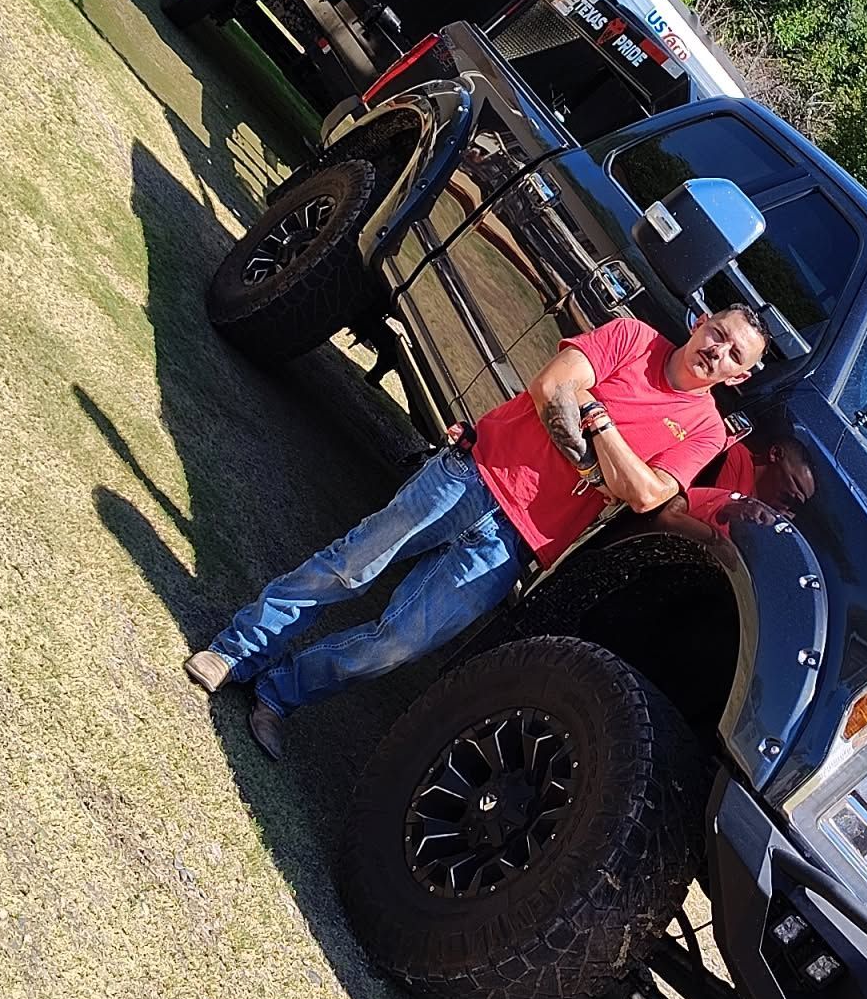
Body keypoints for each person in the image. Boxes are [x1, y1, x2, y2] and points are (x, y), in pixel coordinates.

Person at [184, 304, 769, 759]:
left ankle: (281, 692)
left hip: (518, 544)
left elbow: (644, 493)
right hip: (472, 475)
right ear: (700, 324)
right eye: (717, 333)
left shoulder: (706, 433)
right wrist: (606, 461)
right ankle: (236, 652)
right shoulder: (634, 336)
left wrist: (599, 419)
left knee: (400, 642)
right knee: (348, 566)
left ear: (740, 375)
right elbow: (551, 388)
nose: (717, 352)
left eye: (733, 354)